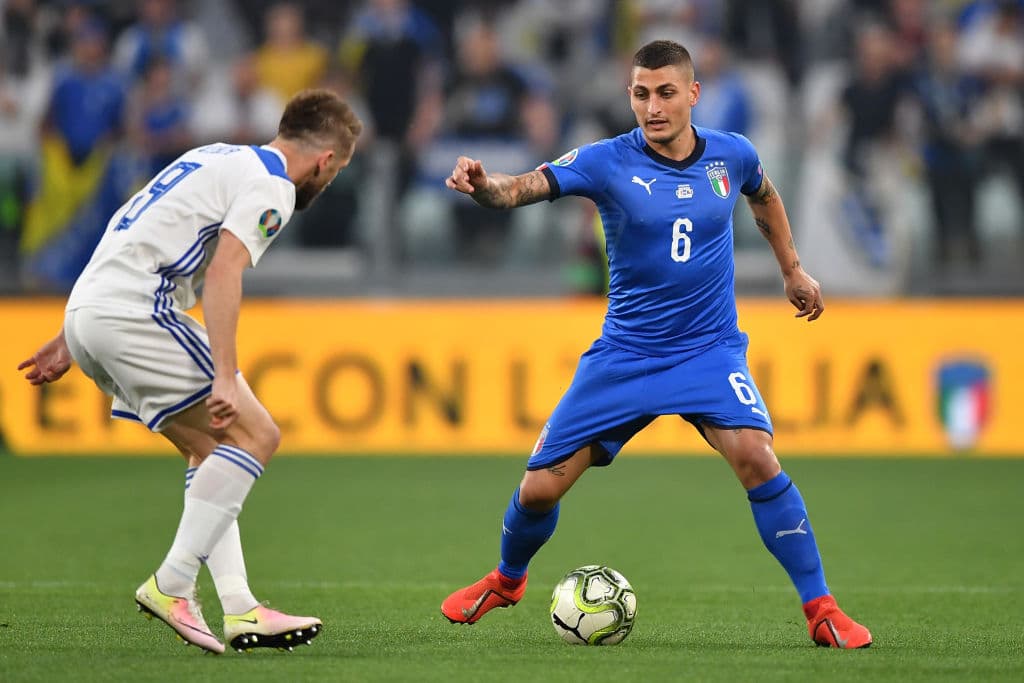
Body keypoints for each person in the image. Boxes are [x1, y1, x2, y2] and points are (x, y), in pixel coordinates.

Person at [439, 40, 871, 649]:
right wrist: (485, 186)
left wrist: (792, 271)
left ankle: (822, 609)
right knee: (537, 489)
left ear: (693, 94)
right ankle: (508, 580)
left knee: (757, 456)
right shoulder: (605, 161)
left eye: (666, 92)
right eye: (641, 93)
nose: (653, 106)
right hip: (625, 357)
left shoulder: (733, 155)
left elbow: (764, 195)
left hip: (708, 350)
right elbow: (521, 189)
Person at [17, 88, 363, 654]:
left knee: (209, 450)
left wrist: (71, 332)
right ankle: (172, 583)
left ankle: (241, 608)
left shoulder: (215, 155)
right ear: (326, 160)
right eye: (337, 170)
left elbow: (132, 225)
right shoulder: (272, 185)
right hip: (137, 310)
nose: (326, 184)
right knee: (257, 435)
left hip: (93, 306)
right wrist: (224, 373)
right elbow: (227, 271)